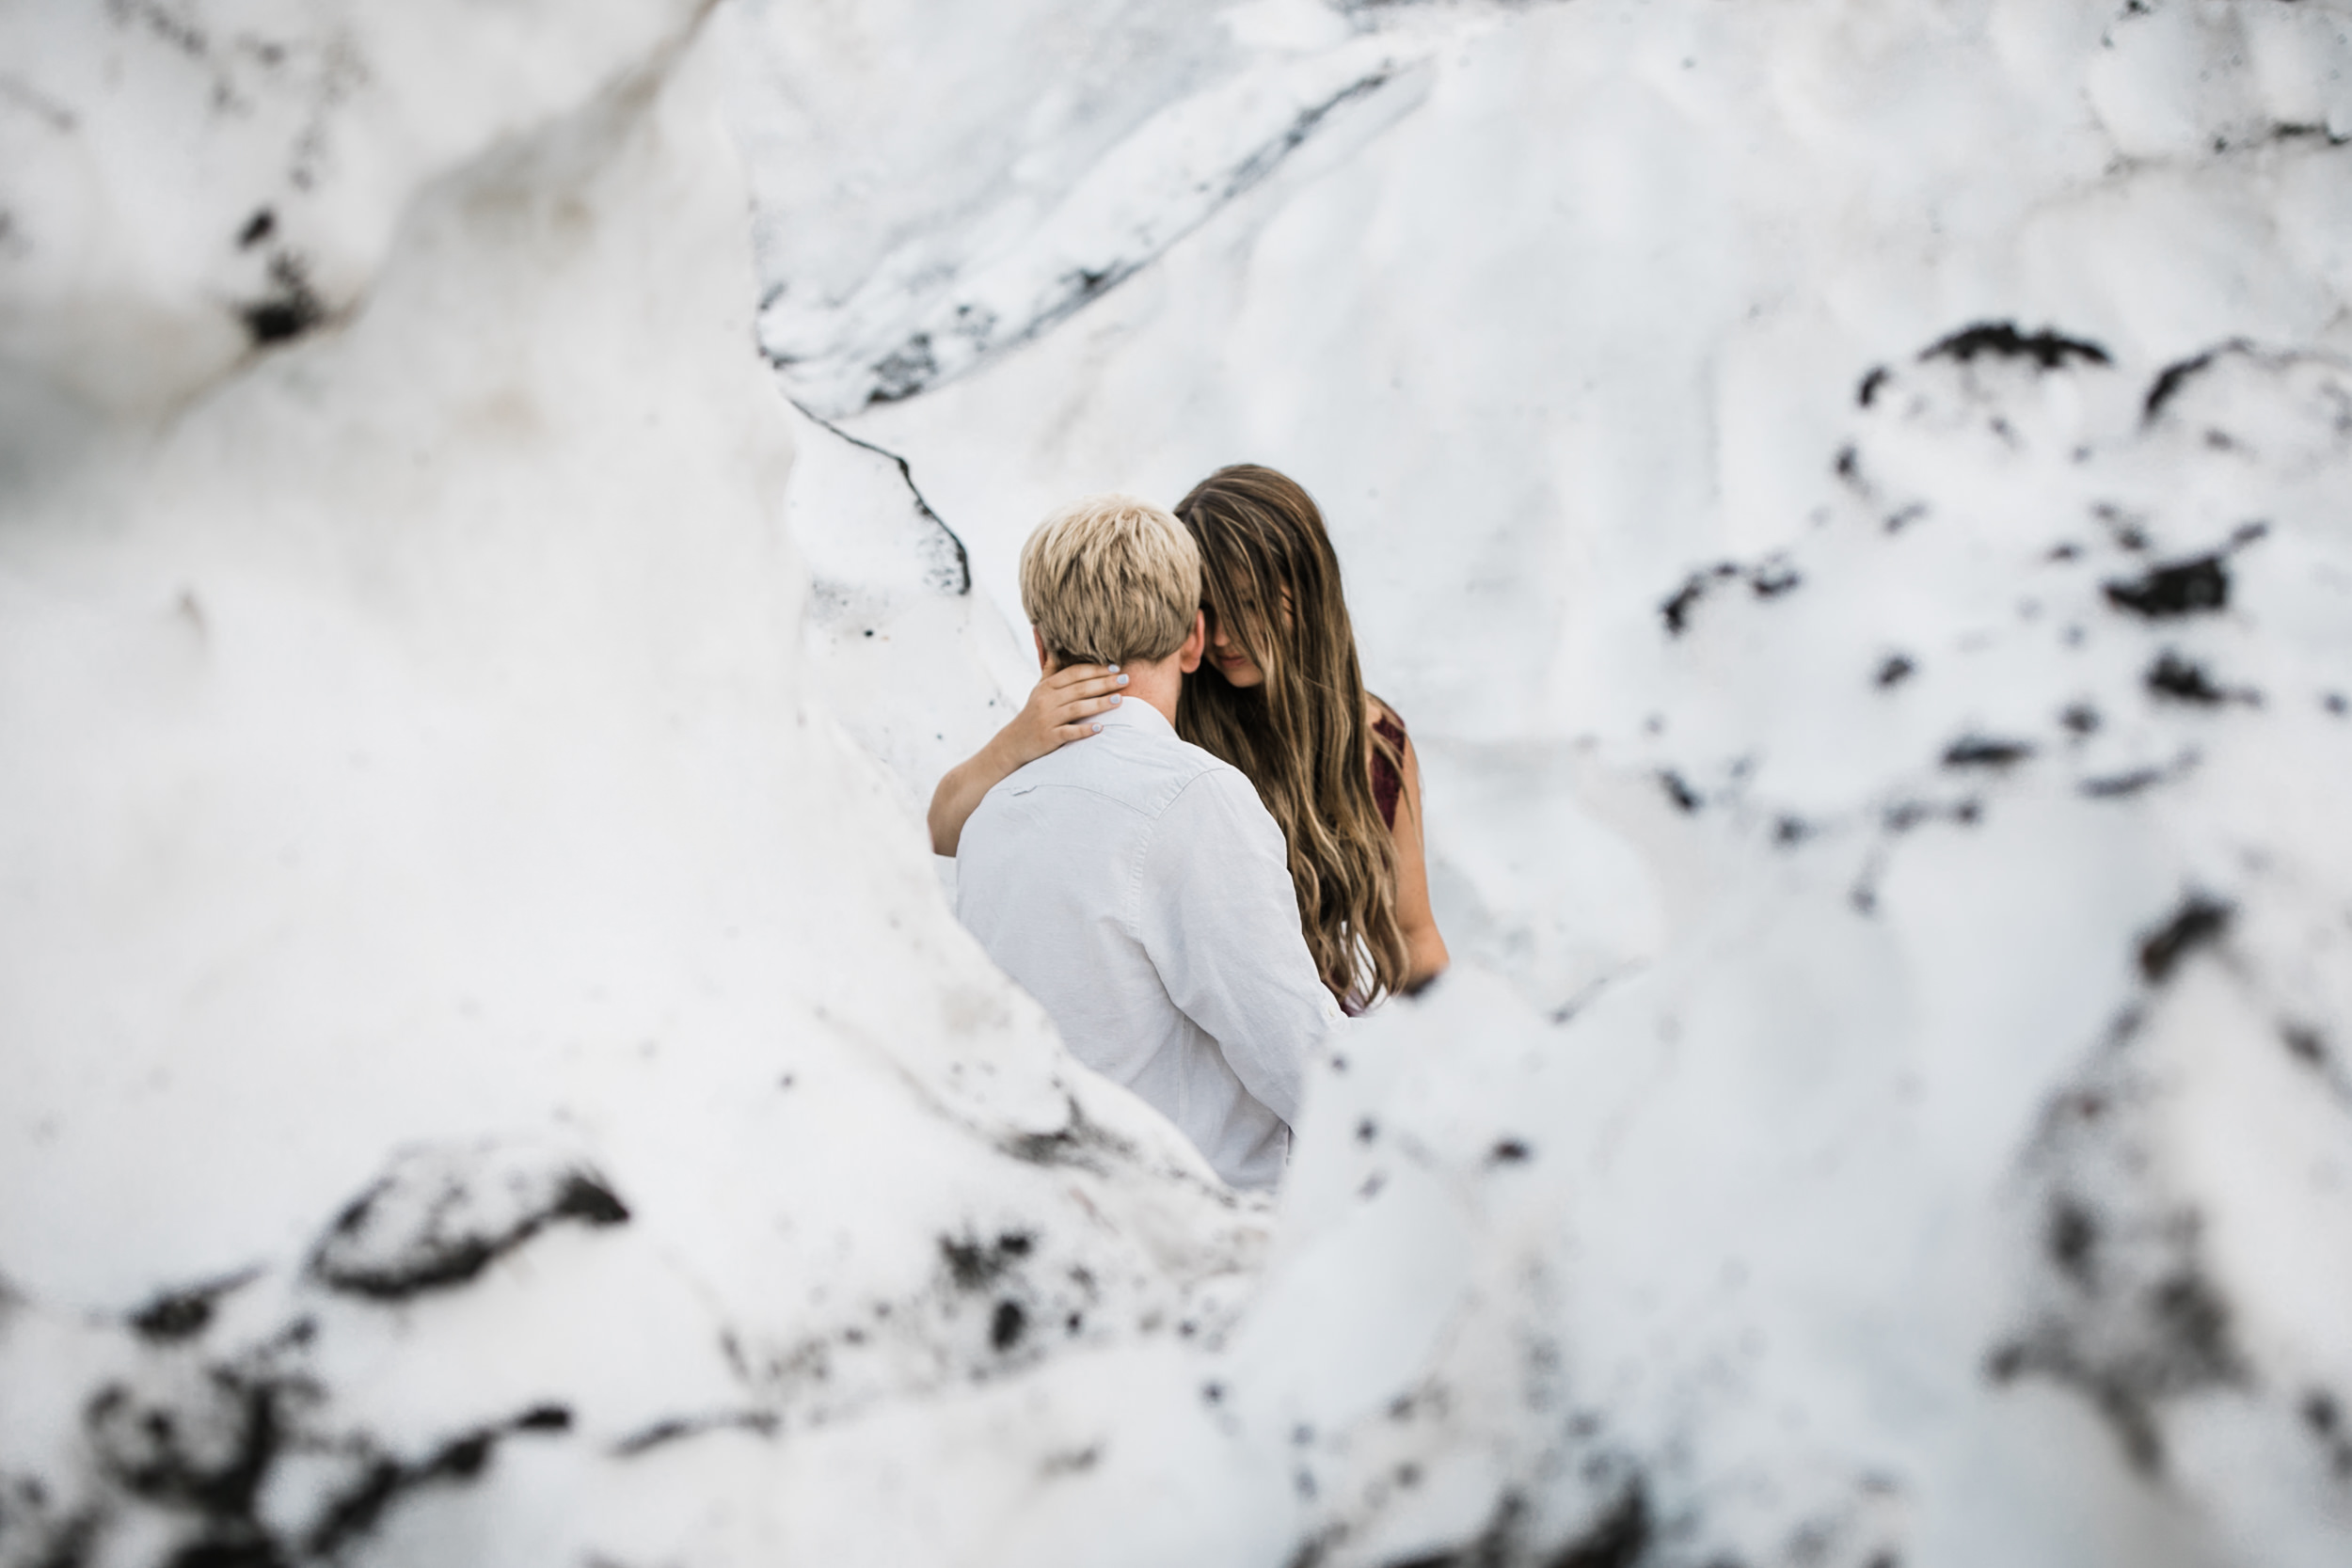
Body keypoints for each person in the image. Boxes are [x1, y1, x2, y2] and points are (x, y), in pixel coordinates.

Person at [929, 464, 1447, 1010]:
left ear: (1310, 589)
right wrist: (1017, 740)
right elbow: (943, 828)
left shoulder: (1373, 741)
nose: (1223, 637)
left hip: (1319, 1058)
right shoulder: (1159, 714)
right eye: (1209, 610)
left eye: (1249, 604)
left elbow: (1414, 935)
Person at [951, 494, 1343, 1190]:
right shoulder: (1196, 797)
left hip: (1057, 1220)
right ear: (1194, 639)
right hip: (1205, 1231)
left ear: (1042, 647)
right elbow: (1298, 1054)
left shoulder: (993, 817)